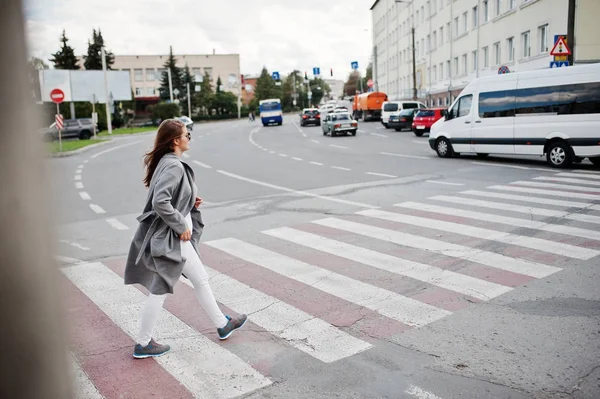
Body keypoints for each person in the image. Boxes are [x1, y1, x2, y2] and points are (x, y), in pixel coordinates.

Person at [124, 119, 247, 359]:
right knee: (162, 288)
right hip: (173, 239)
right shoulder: (173, 166)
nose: (189, 137)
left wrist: (189, 203)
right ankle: (143, 342)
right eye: (186, 134)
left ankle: (222, 323)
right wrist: (181, 225)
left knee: (199, 279)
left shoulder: (167, 163)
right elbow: (161, 201)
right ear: (175, 141)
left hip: (174, 239)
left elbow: (169, 197)